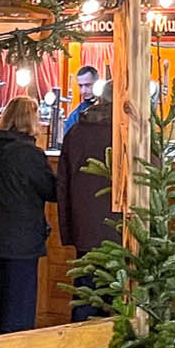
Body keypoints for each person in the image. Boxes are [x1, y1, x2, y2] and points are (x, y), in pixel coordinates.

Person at [0, 95, 57, 334]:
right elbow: (50, 190)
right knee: (19, 306)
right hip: (21, 238)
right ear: (31, 120)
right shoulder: (30, 154)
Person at [57, 81, 119, 319]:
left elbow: (62, 184)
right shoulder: (133, 132)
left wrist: (69, 229)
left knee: (85, 297)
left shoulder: (76, 131)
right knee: (118, 303)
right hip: (122, 230)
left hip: (85, 229)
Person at [59, 65, 100, 140]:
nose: (83, 91)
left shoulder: (110, 110)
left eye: (88, 85)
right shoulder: (75, 115)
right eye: (80, 86)